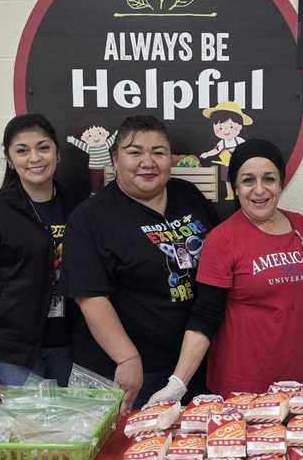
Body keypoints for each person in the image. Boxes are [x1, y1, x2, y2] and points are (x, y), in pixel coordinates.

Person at [149, 139, 303, 405]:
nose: (259, 190)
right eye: (248, 180)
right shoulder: (222, 240)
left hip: (296, 383)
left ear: (281, 183)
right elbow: (204, 317)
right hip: (239, 388)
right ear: (235, 187)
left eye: (269, 179)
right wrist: (178, 383)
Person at [62, 115, 220, 414]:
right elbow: (91, 297)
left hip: (190, 365)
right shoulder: (90, 217)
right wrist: (127, 358)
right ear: (114, 159)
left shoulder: (189, 196)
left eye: (158, 152)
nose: (148, 162)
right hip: (126, 372)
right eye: (135, 152)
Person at [0, 113, 82, 403]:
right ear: (10, 160)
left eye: (43, 147)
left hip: (68, 348)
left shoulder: (78, 207)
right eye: (22, 150)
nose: (34, 158)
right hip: (12, 354)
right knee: (30, 439)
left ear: (57, 153)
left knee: (70, 438)